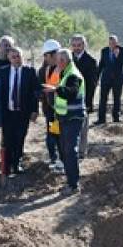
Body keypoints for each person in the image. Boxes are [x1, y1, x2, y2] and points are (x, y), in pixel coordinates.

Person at [45, 48, 85, 194]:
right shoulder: (64, 72)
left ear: (67, 60)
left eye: (61, 60)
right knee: (64, 149)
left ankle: (73, 185)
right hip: (62, 118)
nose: (59, 62)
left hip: (72, 118)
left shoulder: (73, 74)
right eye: (58, 60)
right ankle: (70, 181)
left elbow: (71, 93)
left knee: (70, 150)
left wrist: (55, 89)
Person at [0, 46, 39, 176]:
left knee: (20, 138)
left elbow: (35, 92)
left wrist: (34, 110)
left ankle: (17, 163)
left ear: (22, 56)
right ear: (9, 58)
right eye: (13, 57)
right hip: (8, 112)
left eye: (18, 56)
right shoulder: (2, 72)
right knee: (8, 138)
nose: (16, 59)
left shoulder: (30, 71)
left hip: (23, 111)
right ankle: (7, 165)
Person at [69, 34, 99, 158]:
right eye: (74, 45)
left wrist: (87, 103)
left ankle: (81, 152)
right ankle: (69, 151)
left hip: (83, 100)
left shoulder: (91, 61)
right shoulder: (67, 59)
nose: (76, 48)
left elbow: (92, 84)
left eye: (79, 45)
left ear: (84, 45)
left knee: (83, 128)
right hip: (67, 100)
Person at [37, 39, 64, 173]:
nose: (45, 58)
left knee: (61, 136)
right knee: (52, 134)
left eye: (46, 55)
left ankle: (62, 161)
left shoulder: (65, 69)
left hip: (63, 111)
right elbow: (40, 87)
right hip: (50, 111)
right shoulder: (44, 70)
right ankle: (54, 158)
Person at [96, 34, 123, 125]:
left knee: (116, 99)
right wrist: (96, 77)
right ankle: (101, 119)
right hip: (106, 79)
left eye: (114, 42)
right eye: (110, 43)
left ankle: (116, 118)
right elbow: (101, 65)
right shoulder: (104, 51)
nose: (112, 44)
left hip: (118, 79)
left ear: (117, 42)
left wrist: (118, 55)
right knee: (103, 99)